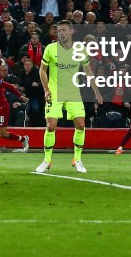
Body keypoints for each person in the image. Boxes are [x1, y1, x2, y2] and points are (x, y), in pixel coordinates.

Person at [35, 20, 102, 174]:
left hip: (73, 92)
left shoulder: (80, 49)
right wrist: (46, 89)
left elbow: (88, 72)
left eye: (63, 30)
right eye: (58, 31)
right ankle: (47, 160)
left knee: (80, 125)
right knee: (51, 126)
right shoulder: (51, 49)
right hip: (55, 92)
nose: (60, 33)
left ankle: (77, 159)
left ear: (71, 32)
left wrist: (97, 92)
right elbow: (42, 70)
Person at [0, 62, 30, 154]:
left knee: (3, 134)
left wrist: (20, 96)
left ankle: (23, 139)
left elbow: (10, 86)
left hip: (2, 107)